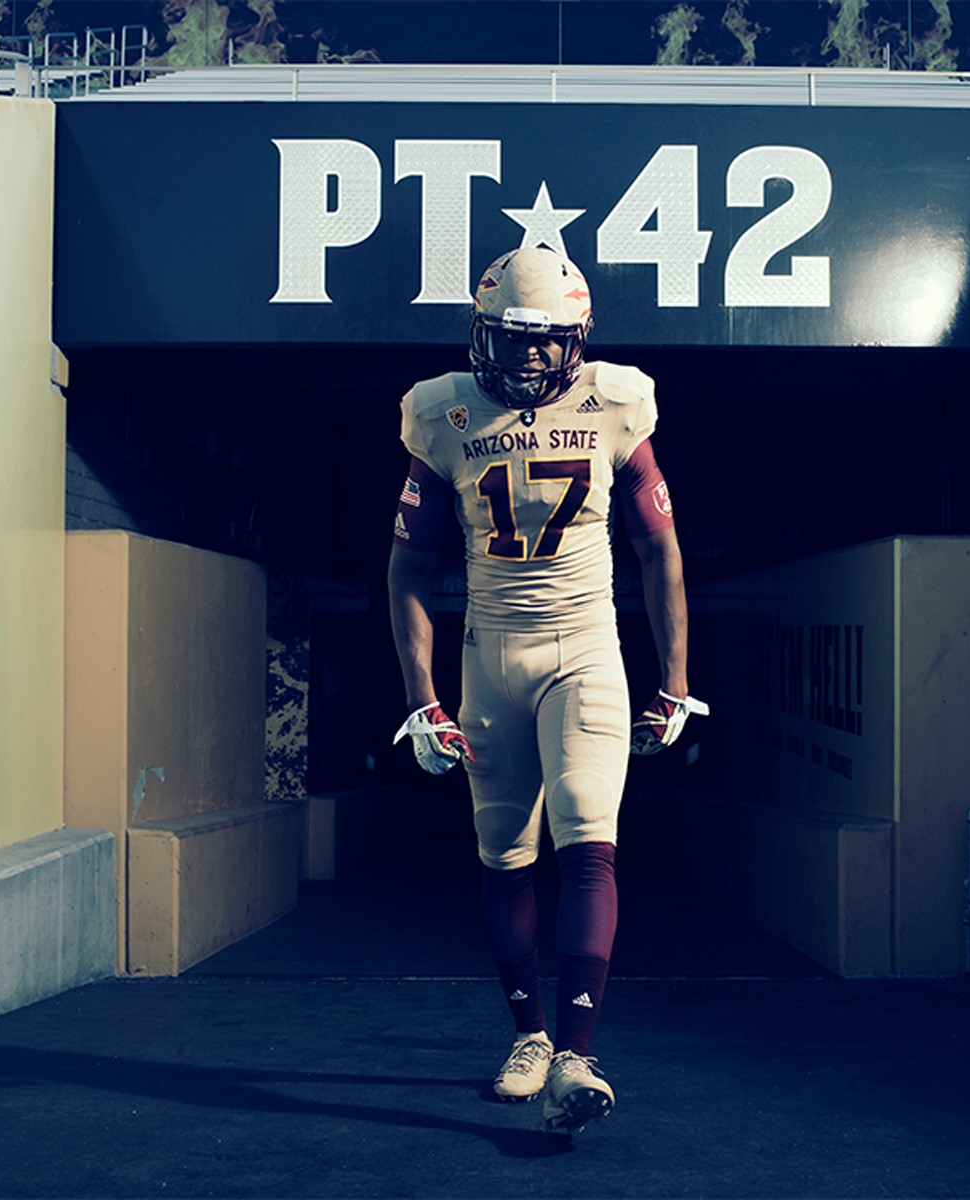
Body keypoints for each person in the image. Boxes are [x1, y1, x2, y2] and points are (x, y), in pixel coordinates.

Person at [387, 244, 706, 1135]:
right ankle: (529, 1035)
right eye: (514, 338)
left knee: (587, 833)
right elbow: (410, 563)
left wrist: (675, 679)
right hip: (492, 651)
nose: (531, 357)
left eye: (548, 340)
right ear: (481, 333)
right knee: (504, 852)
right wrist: (421, 694)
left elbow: (658, 548)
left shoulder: (615, 403)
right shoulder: (441, 414)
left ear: (579, 338)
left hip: (587, 650)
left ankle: (576, 1052)